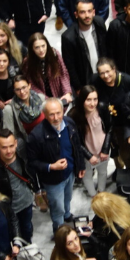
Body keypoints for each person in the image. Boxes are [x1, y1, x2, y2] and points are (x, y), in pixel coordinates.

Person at [27, 98, 85, 232]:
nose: (56, 117)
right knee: (57, 206)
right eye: (51, 114)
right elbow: (32, 163)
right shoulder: (36, 136)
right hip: (52, 181)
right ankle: (59, 229)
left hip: (69, 173)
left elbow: (76, 145)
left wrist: (80, 165)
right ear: (44, 115)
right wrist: (51, 166)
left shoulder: (69, 123)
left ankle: (67, 215)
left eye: (58, 113)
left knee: (68, 198)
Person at [0, 128, 36, 242]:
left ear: (16, 144)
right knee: (11, 235)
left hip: (26, 201)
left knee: (27, 228)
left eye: (11, 146)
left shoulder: (22, 151)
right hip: (7, 208)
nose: (9, 151)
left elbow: (32, 170)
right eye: (4, 147)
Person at [93, 59, 130, 169]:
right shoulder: (95, 81)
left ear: (114, 69)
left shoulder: (127, 81)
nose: (106, 76)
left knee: (125, 153)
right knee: (114, 151)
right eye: (102, 73)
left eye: (108, 71)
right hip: (106, 123)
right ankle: (119, 170)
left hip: (123, 123)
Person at [68, 86, 111, 197]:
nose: (92, 103)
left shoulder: (102, 108)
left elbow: (110, 128)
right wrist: (88, 155)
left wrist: (105, 149)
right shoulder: (73, 115)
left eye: (95, 99)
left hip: (102, 149)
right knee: (87, 176)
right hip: (86, 152)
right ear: (82, 99)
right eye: (88, 100)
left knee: (102, 172)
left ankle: (101, 193)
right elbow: (75, 140)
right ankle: (93, 196)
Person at [61, 0, 109, 93]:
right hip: (85, 80)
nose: (87, 15)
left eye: (89, 11)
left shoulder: (99, 23)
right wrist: (78, 88)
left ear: (93, 12)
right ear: (76, 14)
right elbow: (70, 66)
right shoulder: (68, 37)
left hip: (103, 76)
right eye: (82, 12)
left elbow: (107, 48)